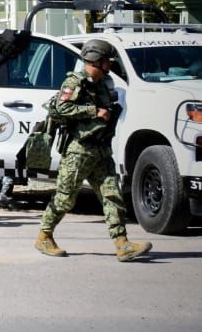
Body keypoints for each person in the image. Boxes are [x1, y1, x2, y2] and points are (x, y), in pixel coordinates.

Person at [35, 39, 152, 261]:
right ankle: (44, 236)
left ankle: (122, 244)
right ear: (96, 60)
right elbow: (62, 107)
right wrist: (93, 111)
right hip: (79, 151)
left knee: (112, 195)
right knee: (65, 197)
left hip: (101, 149)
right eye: (107, 60)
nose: (110, 64)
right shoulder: (74, 82)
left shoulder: (102, 83)